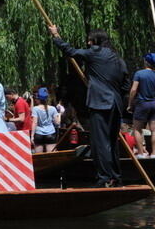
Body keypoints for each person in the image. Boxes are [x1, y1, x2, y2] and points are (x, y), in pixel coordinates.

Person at [49, 25, 127, 187]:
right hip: (116, 104)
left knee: (100, 142)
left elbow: (70, 51)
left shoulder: (95, 52)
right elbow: (126, 85)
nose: (88, 43)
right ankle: (116, 177)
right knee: (112, 142)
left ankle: (104, 178)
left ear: (95, 41)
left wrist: (56, 35)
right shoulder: (118, 59)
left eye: (90, 41)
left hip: (100, 103)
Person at [127, 53, 155, 157]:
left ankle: (141, 153)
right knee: (154, 130)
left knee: (137, 129)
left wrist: (130, 103)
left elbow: (133, 90)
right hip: (154, 104)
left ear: (146, 62)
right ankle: (154, 153)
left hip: (142, 103)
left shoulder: (139, 73)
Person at [31, 88, 61, 153]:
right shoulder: (53, 108)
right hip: (50, 133)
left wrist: (32, 136)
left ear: (38, 98)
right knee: (51, 155)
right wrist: (59, 114)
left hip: (38, 134)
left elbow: (34, 122)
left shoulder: (35, 109)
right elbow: (57, 123)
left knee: (39, 156)